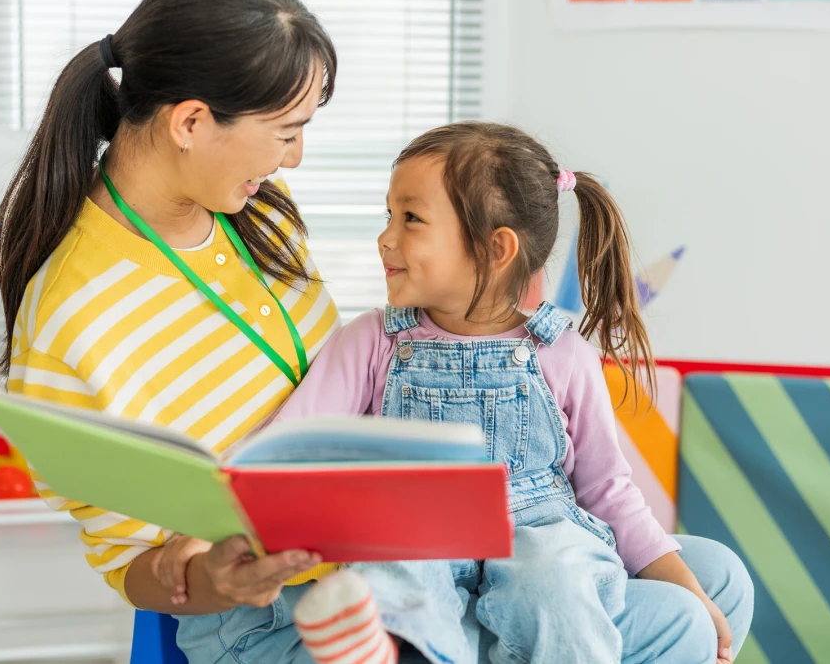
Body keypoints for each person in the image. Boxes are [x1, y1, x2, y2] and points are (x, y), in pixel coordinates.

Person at [262, 122, 755, 664]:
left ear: (495, 248)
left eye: (411, 219)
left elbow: (607, 489)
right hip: (418, 530)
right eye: (389, 216)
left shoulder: (564, 355)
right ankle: (390, 650)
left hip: (541, 532)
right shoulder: (374, 340)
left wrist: (684, 583)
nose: (385, 238)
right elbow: (290, 446)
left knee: (556, 578)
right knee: (394, 566)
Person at [0, 0, 353, 663]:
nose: (297, 158)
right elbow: (129, 557)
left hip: (370, 568)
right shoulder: (72, 314)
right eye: (286, 131)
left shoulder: (259, 213)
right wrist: (212, 578)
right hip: (266, 620)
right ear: (191, 121)